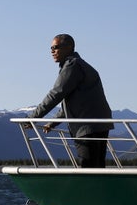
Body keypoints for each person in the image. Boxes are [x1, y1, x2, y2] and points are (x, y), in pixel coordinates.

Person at [27, 34, 113, 168]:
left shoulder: (72, 65)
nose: (52, 51)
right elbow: (75, 101)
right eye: (51, 48)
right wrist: (53, 123)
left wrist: (33, 117)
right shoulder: (81, 65)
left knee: (88, 166)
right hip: (99, 124)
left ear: (69, 47)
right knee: (97, 166)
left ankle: (88, 189)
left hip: (87, 127)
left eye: (55, 47)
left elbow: (56, 93)